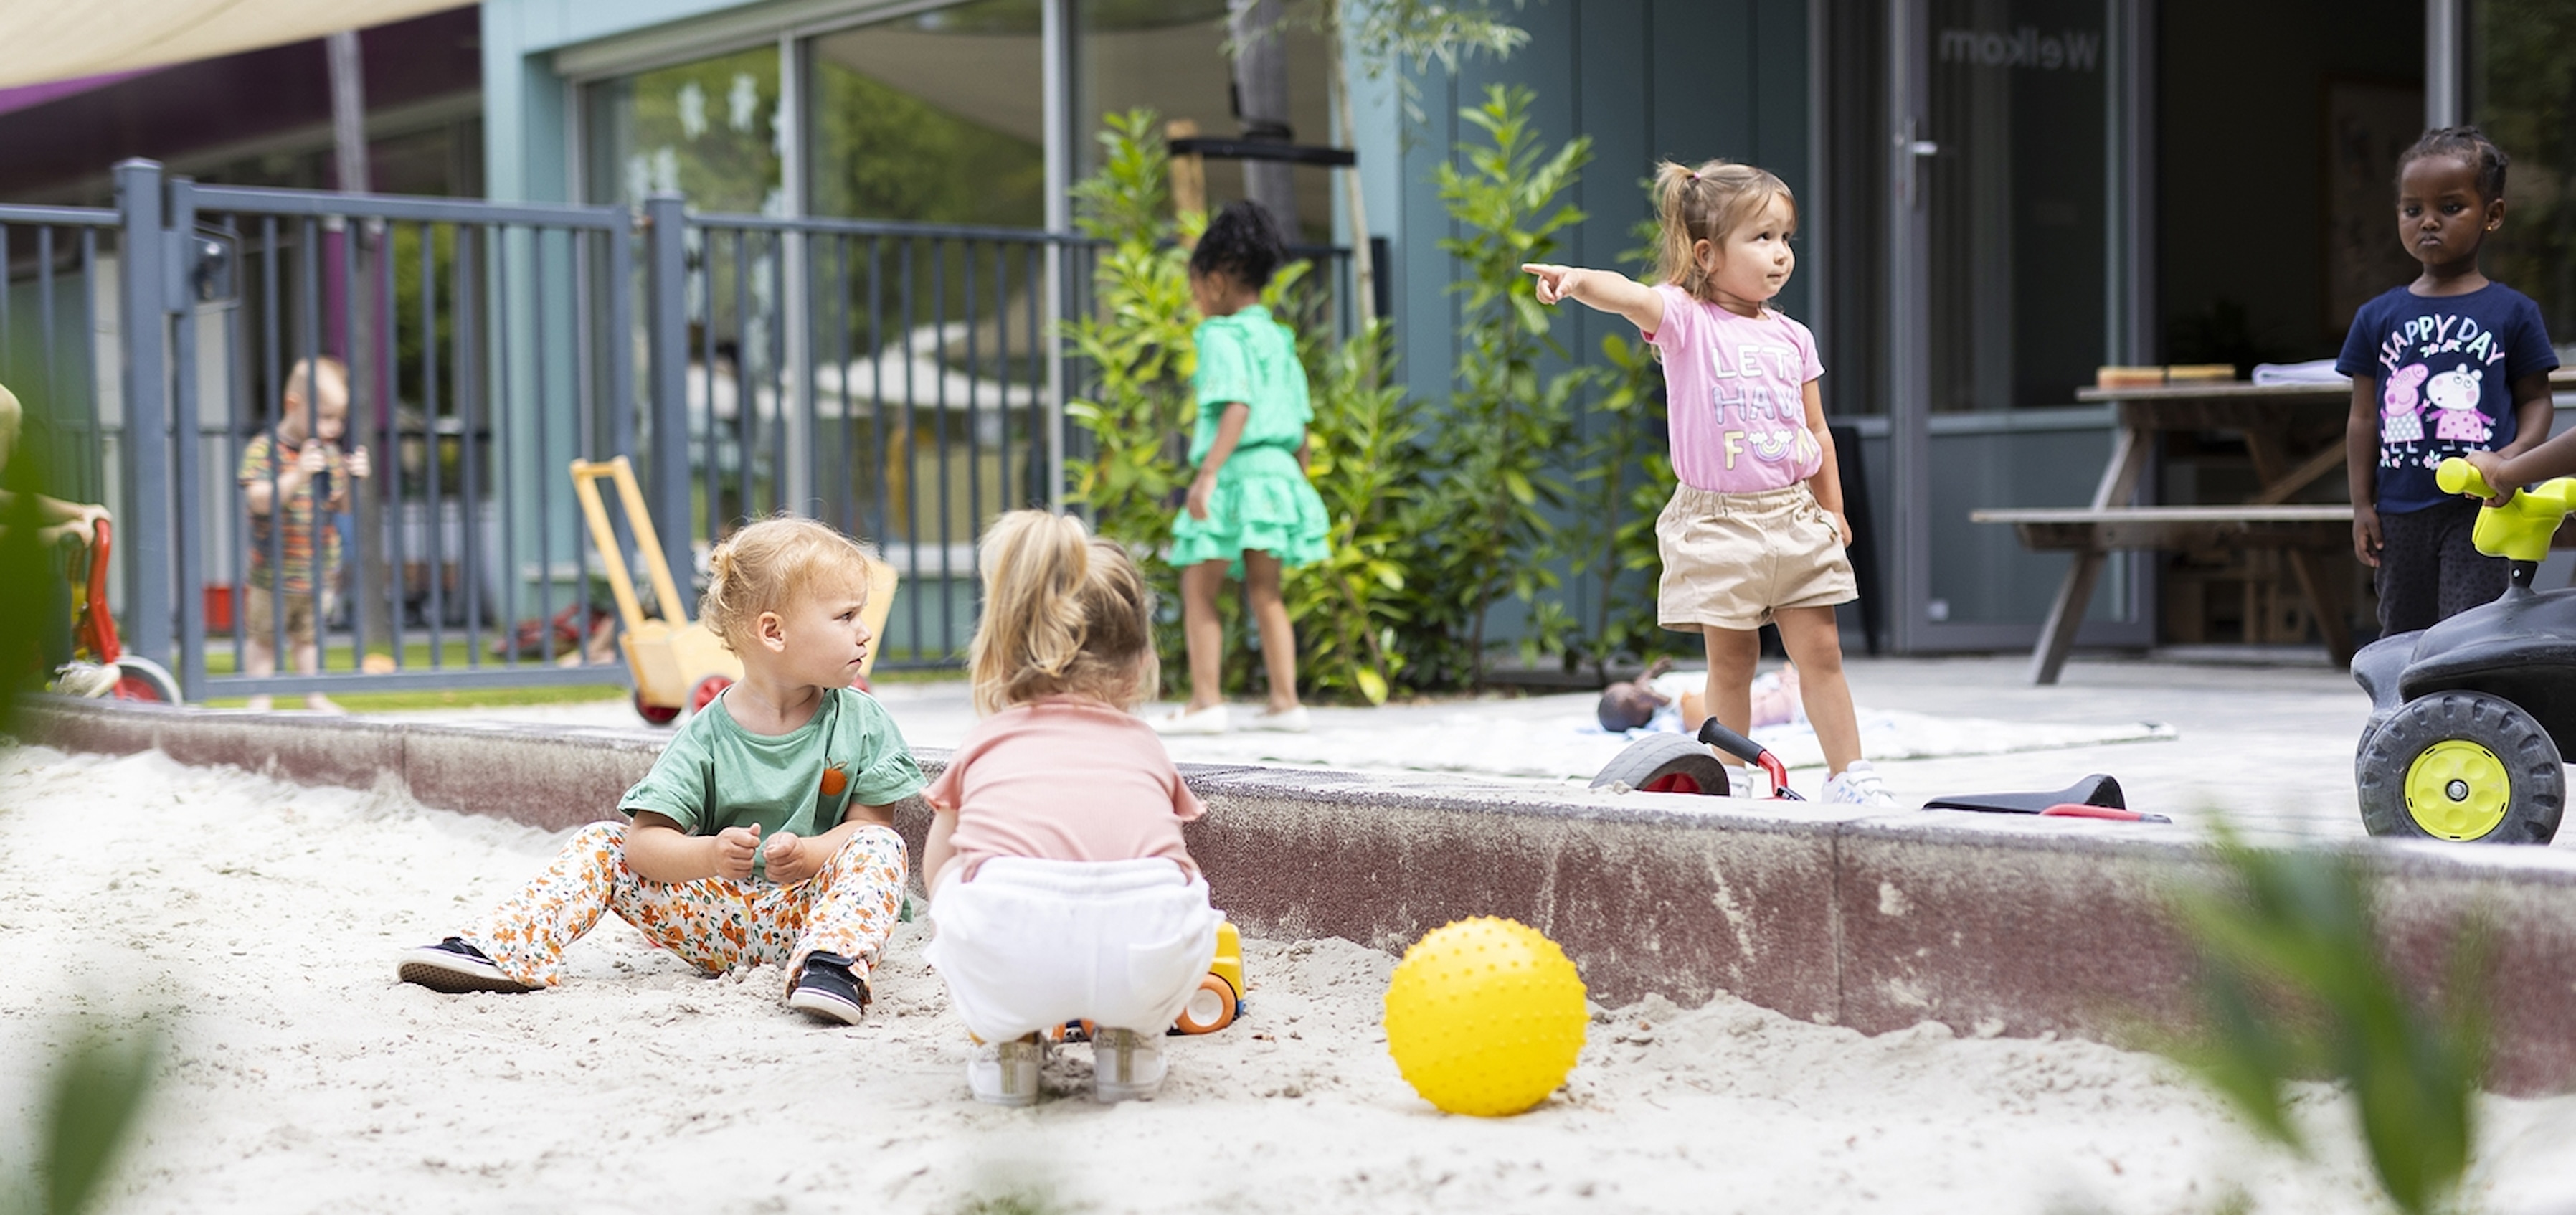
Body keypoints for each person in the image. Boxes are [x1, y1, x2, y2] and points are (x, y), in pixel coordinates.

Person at [397, 516, 924, 1027]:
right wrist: (712, 853)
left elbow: (870, 829)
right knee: (604, 841)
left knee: (884, 847)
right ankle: (504, 948)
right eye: (846, 617)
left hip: (813, 912)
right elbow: (643, 845)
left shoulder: (861, 721)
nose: (863, 633)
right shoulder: (707, 734)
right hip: (714, 918)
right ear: (774, 632)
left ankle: (833, 968)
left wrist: (811, 853)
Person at [1523, 160, 1893, 807]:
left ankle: (1850, 776)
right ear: (1707, 253)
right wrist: (1576, 280)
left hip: (1793, 514)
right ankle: (1735, 778)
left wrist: (1832, 509)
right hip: (1719, 521)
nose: (1780, 255)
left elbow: (1819, 432)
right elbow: (1629, 294)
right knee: (1733, 662)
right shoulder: (1685, 320)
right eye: (1762, 238)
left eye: (1786, 239)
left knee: (1823, 651)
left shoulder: (1793, 337)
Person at [922, 509, 1223, 1106]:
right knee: (1178, 887)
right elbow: (1176, 855)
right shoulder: (1146, 745)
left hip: (1012, 953)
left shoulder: (986, 741)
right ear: (1139, 663)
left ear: (1003, 649)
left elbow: (938, 863)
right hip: (1143, 959)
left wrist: (960, 921)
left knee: (958, 871)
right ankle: (1131, 1046)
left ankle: (1009, 1048)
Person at [2341, 126, 2560, 636]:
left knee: (2470, 635)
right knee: (2402, 635)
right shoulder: (2377, 316)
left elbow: (2536, 401)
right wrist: (2361, 505)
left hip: (2481, 508)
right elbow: (2363, 415)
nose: (2429, 222)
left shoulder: (2514, 311)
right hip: (2399, 511)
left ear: (2493, 215)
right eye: (2412, 209)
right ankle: (2403, 718)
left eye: (2451, 207)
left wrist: (2512, 460)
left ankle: (2464, 716)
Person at [1151, 200, 1331, 737]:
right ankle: (1286, 701)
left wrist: (1207, 474)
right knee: (1266, 590)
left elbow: (1237, 405)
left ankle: (1207, 701)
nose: (1196, 301)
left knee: (1198, 585)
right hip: (1278, 471)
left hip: (1236, 473)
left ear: (1217, 281)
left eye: (1196, 288)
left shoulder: (1222, 336)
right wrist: (1296, 479)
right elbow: (1299, 421)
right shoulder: (1279, 338)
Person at [239, 356, 371, 712]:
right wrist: (297, 474)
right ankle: (260, 699)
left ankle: (313, 695)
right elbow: (258, 500)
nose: (334, 428)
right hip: (272, 570)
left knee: (309, 639)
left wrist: (354, 480)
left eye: (339, 419)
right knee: (264, 638)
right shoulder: (264, 449)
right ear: (293, 405)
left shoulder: (328, 454)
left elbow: (341, 507)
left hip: (315, 571)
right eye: (326, 417)